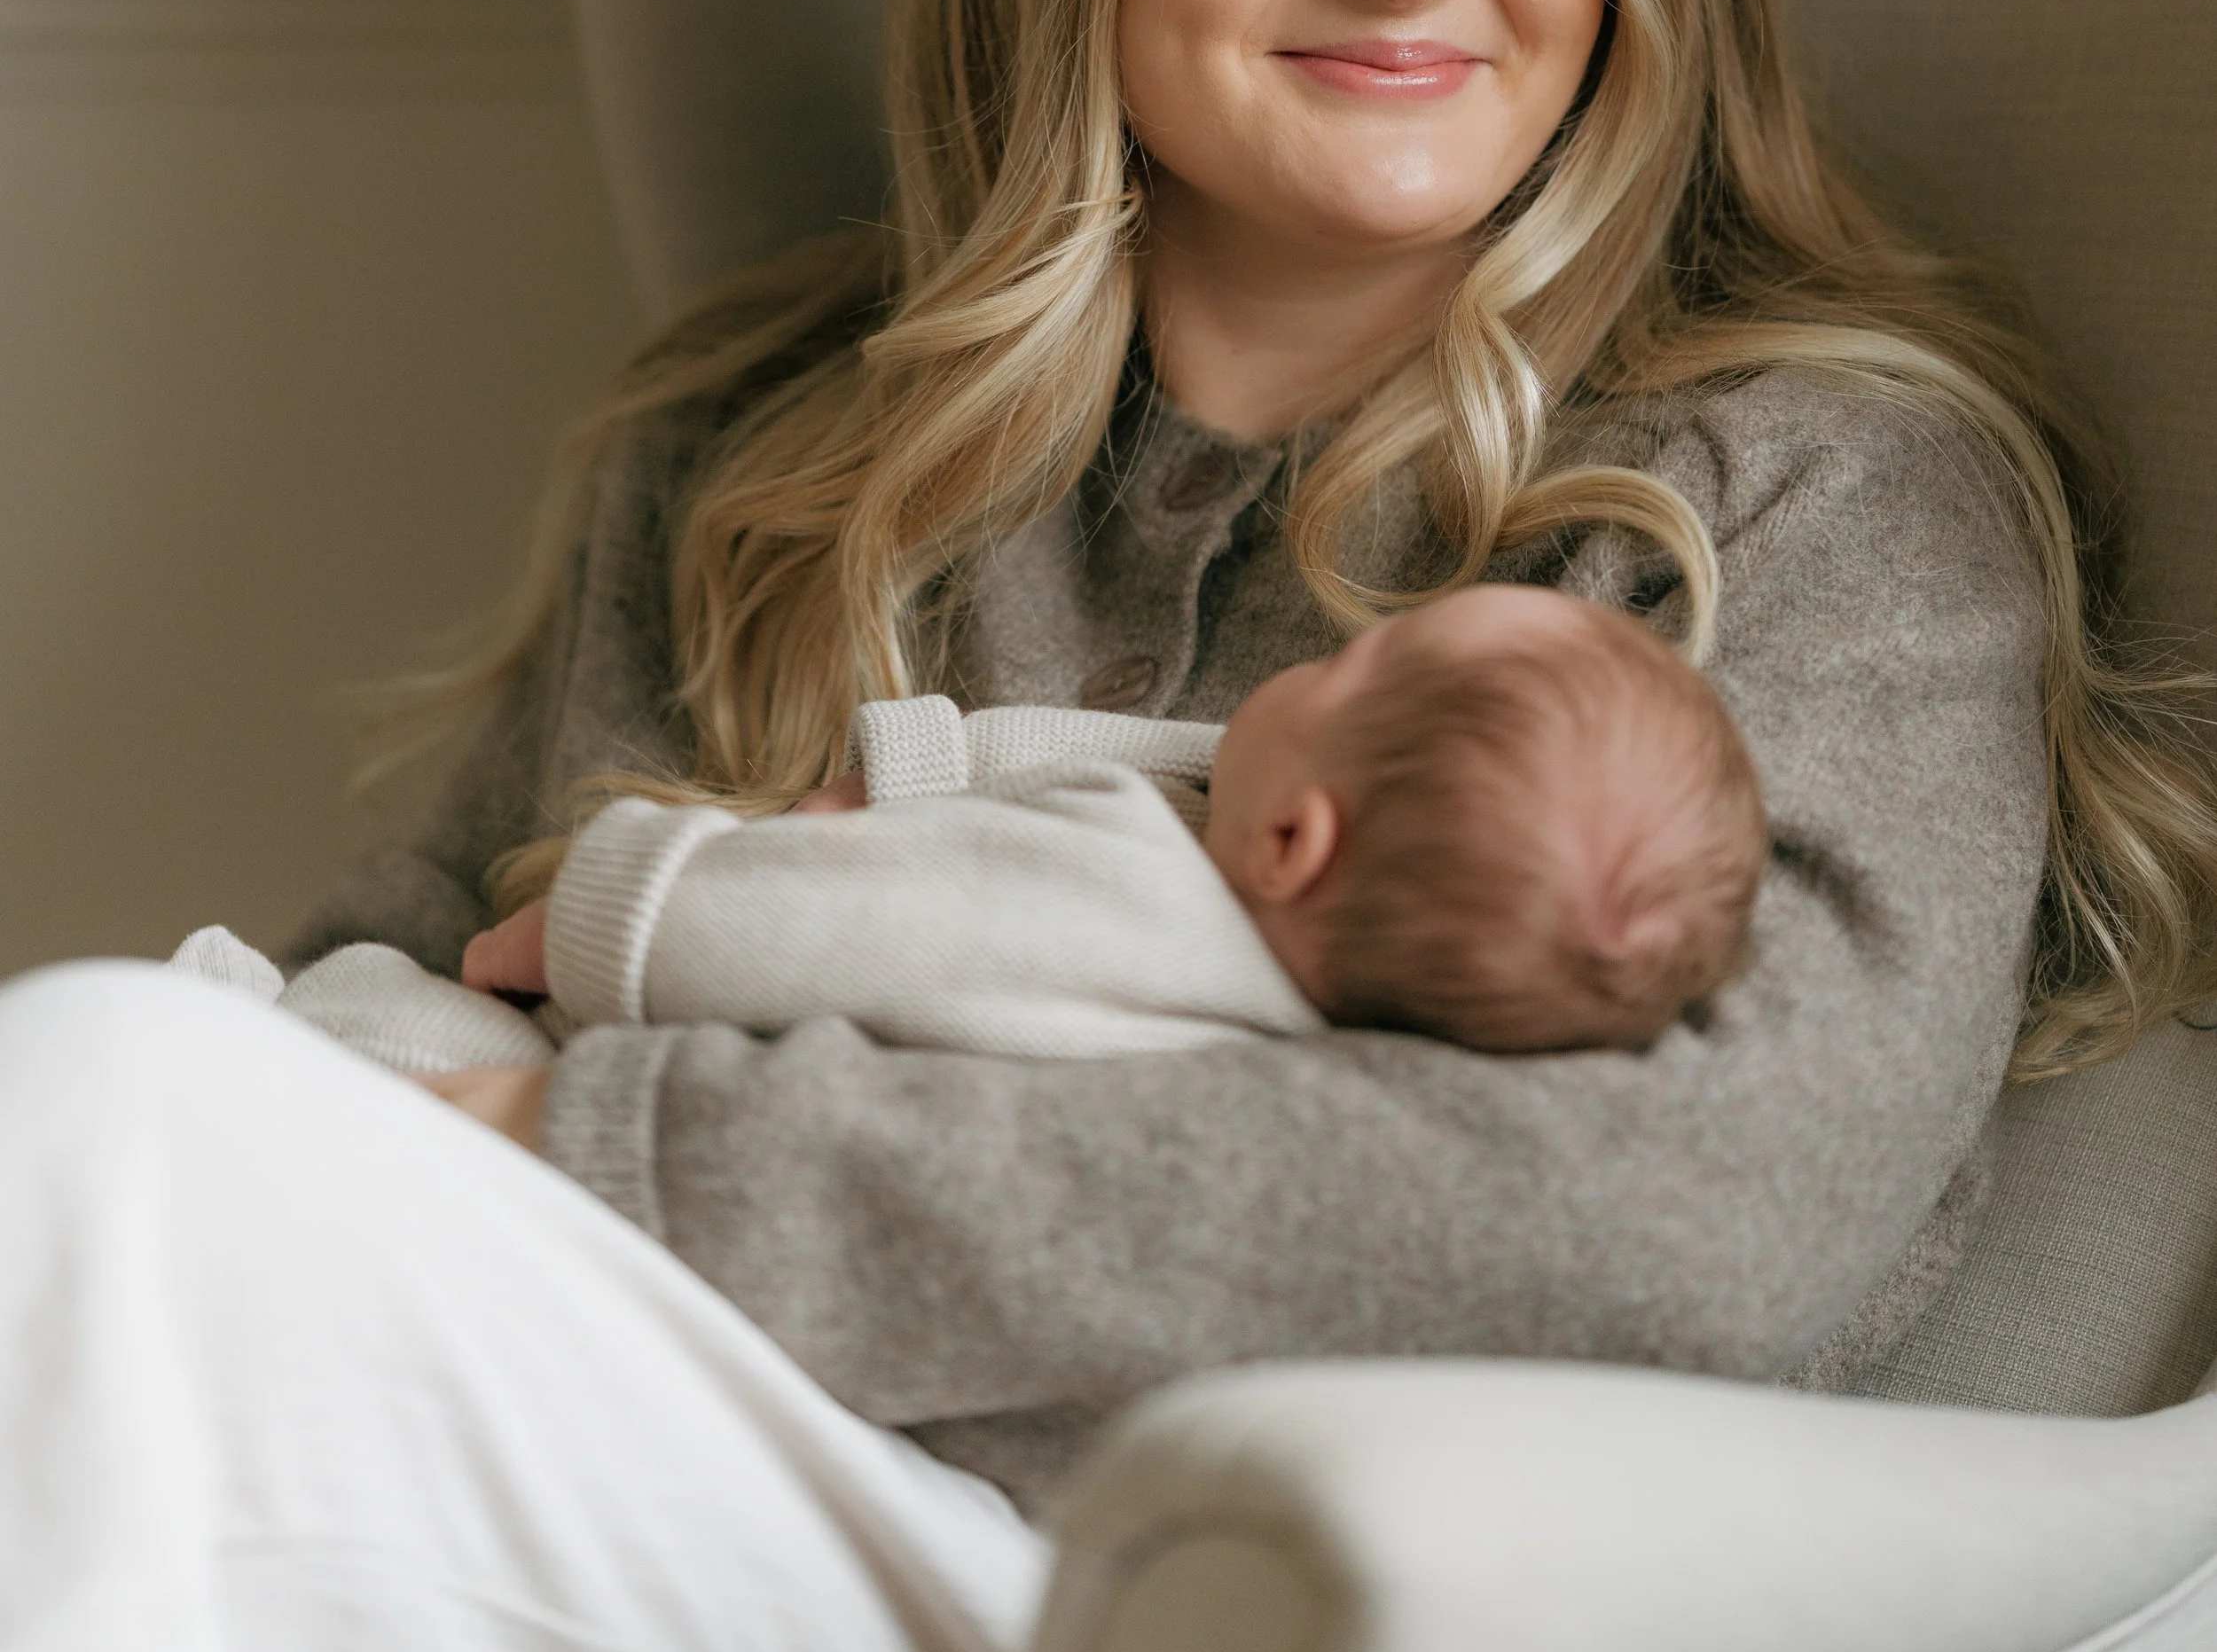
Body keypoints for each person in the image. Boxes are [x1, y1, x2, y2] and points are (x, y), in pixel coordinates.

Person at [3, 0, 2213, 1652]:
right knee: (121, 1121)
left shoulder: (1818, 491)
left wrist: (605, 1143)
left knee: (92, 1101)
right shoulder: (768, 443)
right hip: (664, 1479)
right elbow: (407, 967)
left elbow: (1690, 1225)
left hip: (1272, 1621)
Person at [216, 580, 1763, 1065]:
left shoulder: (1123, 900)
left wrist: (588, 917)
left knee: (350, 1025)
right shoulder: (1270, 998)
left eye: (1349, 665)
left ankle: (246, 1030)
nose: (1306, 662)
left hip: (588, 1102)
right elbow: (1128, 758)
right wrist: (914, 772)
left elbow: (797, 917)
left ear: (1294, 843)